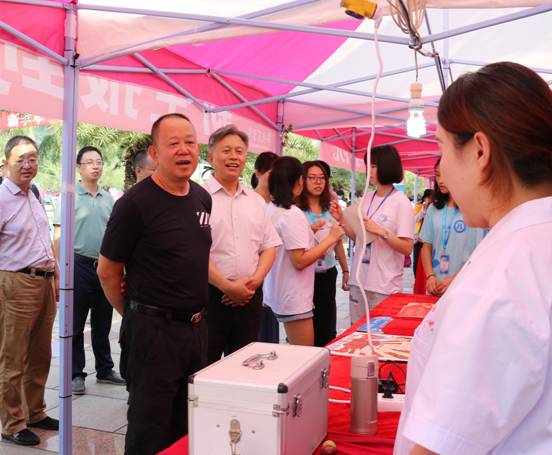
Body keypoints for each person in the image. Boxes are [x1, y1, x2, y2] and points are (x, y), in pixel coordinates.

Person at [394, 62, 552, 455]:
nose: (442, 171)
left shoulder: (503, 273)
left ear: (480, 151)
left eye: (441, 148)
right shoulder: (531, 243)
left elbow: (440, 446)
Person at [97, 113, 212, 455]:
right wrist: (136, 314)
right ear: (155, 152)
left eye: (190, 142)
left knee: (187, 425)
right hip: (152, 334)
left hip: (196, 330)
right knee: (149, 429)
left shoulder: (202, 198)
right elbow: (108, 271)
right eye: (173, 143)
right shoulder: (134, 204)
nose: (184, 150)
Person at [0, 136, 59, 446]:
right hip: (15, 283)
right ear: (6, 163)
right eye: (20, 159)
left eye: (32, 158)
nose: (28, 165)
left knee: (40, 354)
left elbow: (43, 239)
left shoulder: (33, 193)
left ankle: (34, 412)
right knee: (12, 356)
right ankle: (11, 423)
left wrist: (55, 273)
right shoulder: (2, 198)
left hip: (44, 281)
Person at [204, 126, 281, 363]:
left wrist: (255, 281)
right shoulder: (198, 197)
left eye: (239, 151)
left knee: (244, 364)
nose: (234, 157)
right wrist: (227, 286)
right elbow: (193, 252)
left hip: (249, 296)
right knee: (205, 364)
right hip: (209, 297)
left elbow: (269, 246)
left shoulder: (256, 201)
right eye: (226, 150)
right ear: (210, 157)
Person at [53, 146, 125, 395]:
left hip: (104, 267)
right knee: (75, 323)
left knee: (103, 321)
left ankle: (105, 369)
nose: (96, 166)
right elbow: (58, 235)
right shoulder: (69, 197)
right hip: (78, 266)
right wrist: (59, 269)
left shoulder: (108, 198)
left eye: (99, 161)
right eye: (90, 162)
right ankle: (76, 373)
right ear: (78, 167)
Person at [263, 156, 344, 346]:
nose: (317, 182)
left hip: (278, 290)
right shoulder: (293, 213)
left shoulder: (273, 208)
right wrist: (331, 238)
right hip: (294, 295)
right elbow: (299, 260)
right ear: (300, 181)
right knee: (306, 354)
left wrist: (310, 231)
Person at [331, 145, 414, 324]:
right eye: (368, 166)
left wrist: (382, 231)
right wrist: (342, 218)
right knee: (356, 332)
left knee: (380, 334)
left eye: (374, 166)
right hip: (359, 280)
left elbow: (407, 248)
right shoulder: (367, 197)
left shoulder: (401, 202)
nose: (369, 171)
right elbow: (359, 238)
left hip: (384, 284)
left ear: (387, 166)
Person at [297, 160, 350, 346]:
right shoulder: (296, 210)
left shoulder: (331, 209)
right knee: (305, 328)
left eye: (322, 178)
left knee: (327, 328)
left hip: (327, 273)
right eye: (312, 178)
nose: (318, 182)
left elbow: (338, 242)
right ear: (302, 180)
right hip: (304, 275)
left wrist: (345, 270)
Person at [419, 158, 485, 296]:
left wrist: (456, 279)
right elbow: (426, 245)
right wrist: (430, 275)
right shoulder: (433, 208)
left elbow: (483, 253)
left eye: (446, 174)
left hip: (466, 287)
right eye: (438, 175)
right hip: (436, 286)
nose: (440, 180)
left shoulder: (476, 209)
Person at [251, 151, 280, 343]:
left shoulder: (280, 205)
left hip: (274, 278)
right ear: (257, 174)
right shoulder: (248, 202)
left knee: (270, 338)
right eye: (271, 172)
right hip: (254, 279)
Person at [412, 189, 432, 277]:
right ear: (425, 198)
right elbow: (414, 219)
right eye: (428, 197)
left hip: (428, 240)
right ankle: (416, 278)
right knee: (416, 262)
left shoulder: (434, 209)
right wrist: (423, 210)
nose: (429, 200)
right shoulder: (419, 207)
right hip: (418, 239)